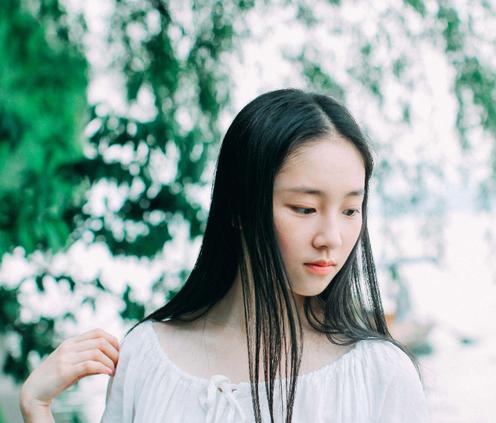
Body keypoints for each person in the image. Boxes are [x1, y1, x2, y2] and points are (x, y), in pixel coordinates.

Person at [19, 88, 429, 422]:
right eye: (305, 209)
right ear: (238, 208)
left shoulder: (379, 374)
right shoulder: (147, 357)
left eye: (350, 210)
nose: (331, 238)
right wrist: (37, 408)